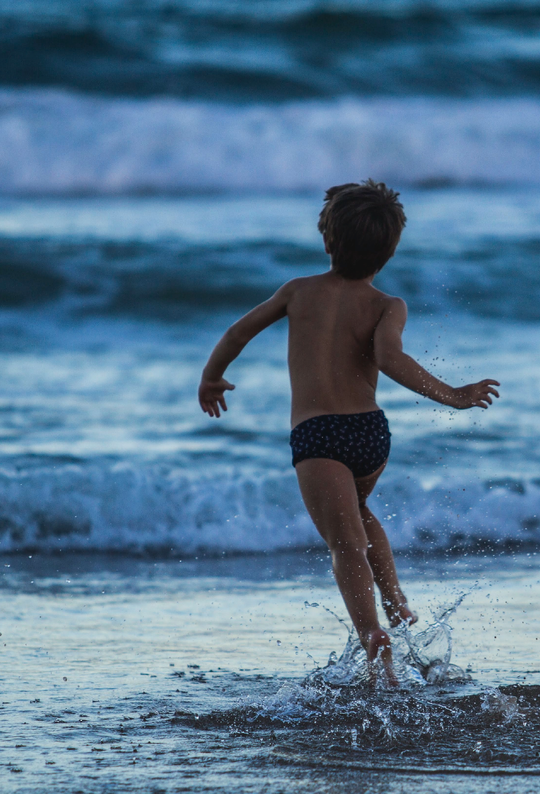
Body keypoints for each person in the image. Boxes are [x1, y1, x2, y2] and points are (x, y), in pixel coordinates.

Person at [198, 179, 500, 683]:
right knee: (358, 516)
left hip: (319, 439)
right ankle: (395, 600)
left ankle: (372, 635)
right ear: (389, 251)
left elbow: (238, 332)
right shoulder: (388, 305)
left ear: (327, 239)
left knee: (343, 543)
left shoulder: (298, 291)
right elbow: (390, 359)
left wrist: (211, 377)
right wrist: (453, 395)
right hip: (370, 435)